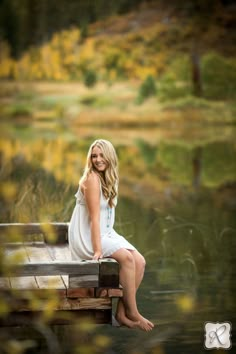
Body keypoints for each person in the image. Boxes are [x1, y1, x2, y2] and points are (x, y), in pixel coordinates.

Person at [68, 139, 154, 331]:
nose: (97, 159)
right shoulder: (92, 178)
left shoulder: (110, 177)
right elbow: (94, 219)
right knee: (126, 259)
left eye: (101, 155)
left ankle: (122, 313)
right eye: (94, 156)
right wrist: (98, 249)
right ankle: (134, 312)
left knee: (139, 261)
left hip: (105, 231)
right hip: (87, 234)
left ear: (110, 156)